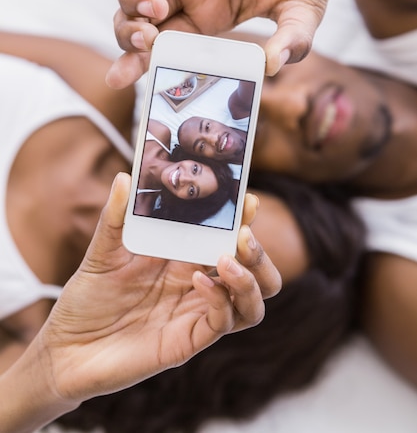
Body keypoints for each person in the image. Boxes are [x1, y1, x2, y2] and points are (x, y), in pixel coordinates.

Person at [108, 0, 417, 386]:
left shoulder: (393, 7)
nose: (294, 107)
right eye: (249, 136)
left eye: (263, 77)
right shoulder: (399, 279)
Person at [55, 171, 365, 433]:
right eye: (225, 220)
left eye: (210, 268)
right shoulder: (117, 143)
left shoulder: (47, 357)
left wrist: (51, 376)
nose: (183, 232)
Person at [0, 172, 281, 433]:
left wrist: (49, 379)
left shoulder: (29, 341)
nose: (208, 259)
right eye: (230, 227)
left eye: (217, 270)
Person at [134, 118, 234, 221]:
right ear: (194, 159)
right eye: (195, 169)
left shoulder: (140, 210)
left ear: (185, 201)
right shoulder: (159, 133)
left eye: (191, 190)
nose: (183, 178)